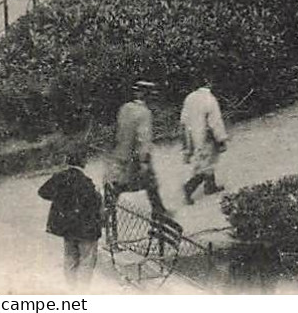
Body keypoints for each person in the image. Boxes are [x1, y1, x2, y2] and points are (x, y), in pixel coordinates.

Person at [105, 80, 169, 242]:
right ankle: (158, 224)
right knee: (151, 187)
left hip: (120, 156)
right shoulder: (144, 113)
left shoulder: (125, 108)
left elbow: (117, 132)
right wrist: (144, 162)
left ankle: (107, 223)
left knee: (116, 190)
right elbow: (143, 139)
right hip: (135, 160)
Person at [38, 150, 103, 287]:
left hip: (67, 227)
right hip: (86, 229)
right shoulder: (86, 182)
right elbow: (95, 204)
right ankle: (83, 292)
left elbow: (43, 192)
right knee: (86, 260)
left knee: (70, 259)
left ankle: (71, 289)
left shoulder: (60, 177)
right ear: (83, 163)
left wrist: (61, 200)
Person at [179, 80, 228, 205]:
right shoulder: (210, 99)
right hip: (206, 136)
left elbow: (183, 120)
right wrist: (221, 138)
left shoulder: (189, 98)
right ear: (209, 84)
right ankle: (189, 188)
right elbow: (215, 122)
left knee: (205, 161)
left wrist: (186, 142)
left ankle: (210, 185)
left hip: (192, 135)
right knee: (207, 163)